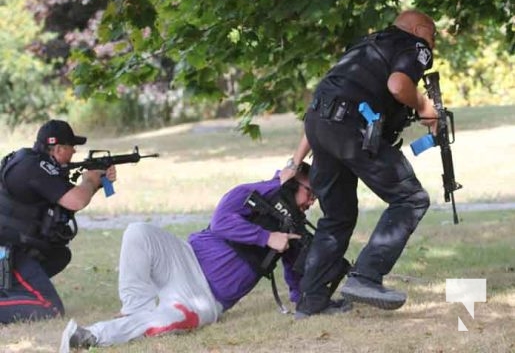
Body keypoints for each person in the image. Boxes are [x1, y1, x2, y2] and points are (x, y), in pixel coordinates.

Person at [60, 163, 350, 351]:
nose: (312, 201)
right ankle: (136, 307)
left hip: (206, 300)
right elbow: (222, 222)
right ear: (290, 183)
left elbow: (294, 273)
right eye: (310, 192)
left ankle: (91, 336)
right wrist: (266, 237)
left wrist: (305, 300)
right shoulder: (248, 193)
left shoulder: (293, 227)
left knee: (166, 320)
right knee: (138, 231)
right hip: (184, 258)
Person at [281, 9, 439, 317]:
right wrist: (423, 105)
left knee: (337, 216)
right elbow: (398, 85)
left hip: (320, 124)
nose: (432, 46)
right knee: (410, 198)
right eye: (432, 37)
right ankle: (365, 277)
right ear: (420, 29)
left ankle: (311, 301)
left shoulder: (365, 46)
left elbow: (324, 105)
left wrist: (295, 160)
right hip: (350, 126)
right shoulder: (413, 45)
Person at [0, 119, 116, 323]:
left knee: (57, 254)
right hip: (7, 252)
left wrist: (97, 183)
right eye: (72, 148)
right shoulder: (34, 166)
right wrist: (89, 181)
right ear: (59, 149)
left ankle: (10, 291)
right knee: (49, 309)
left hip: (13, 248)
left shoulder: (36, 163)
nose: (74, 153)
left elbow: (65, 205)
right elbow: (76, 200)